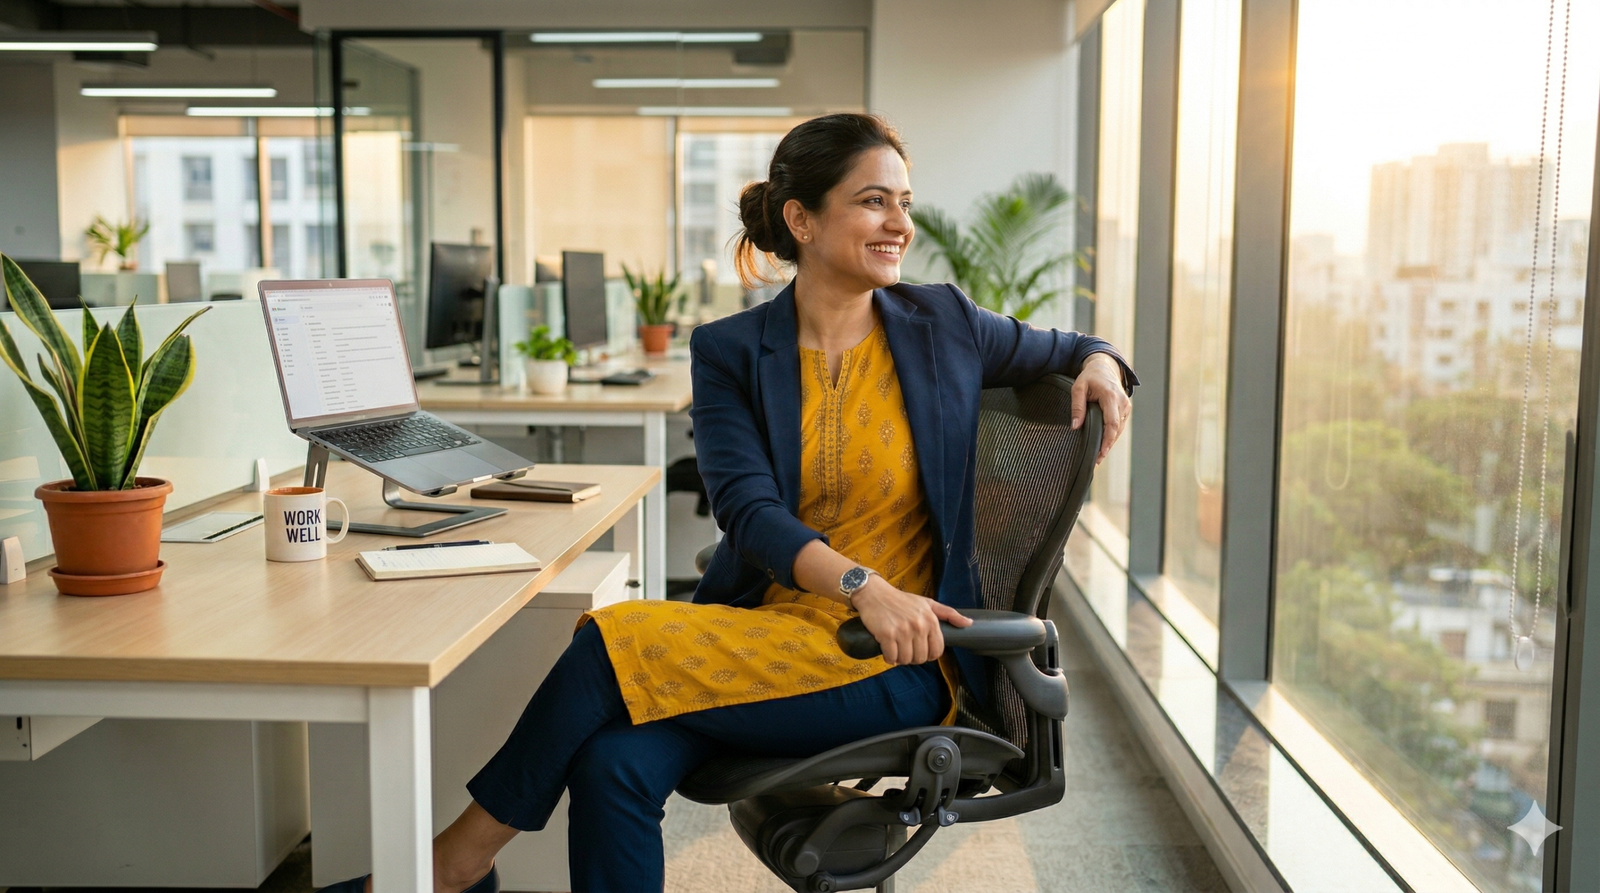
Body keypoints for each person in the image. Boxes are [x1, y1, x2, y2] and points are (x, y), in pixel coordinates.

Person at [322, 112, 1134, 893]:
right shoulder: (731, 351)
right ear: (802, 220)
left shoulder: (943, 322)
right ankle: (450, 870)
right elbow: (747, 510)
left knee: (610, 640)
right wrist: (861, 583)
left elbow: (1073, 346)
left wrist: (1100, 362)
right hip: (778, 628)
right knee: (613, 765)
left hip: (897, 654)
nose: (899, 224)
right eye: (873, 200)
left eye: (905, 203)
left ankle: (450, 868)